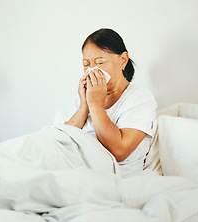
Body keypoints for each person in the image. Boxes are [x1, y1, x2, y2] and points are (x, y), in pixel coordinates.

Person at [65, 28, 157, 177]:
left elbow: (119, 151)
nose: (91, 70)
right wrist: (84, 106)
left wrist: (95, 105)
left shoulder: (140, 98)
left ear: (123, 60)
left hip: (113, 178)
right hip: (75, 169)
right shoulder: (86, 97)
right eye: (86, 64)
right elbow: (61, 141)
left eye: (99, 62)